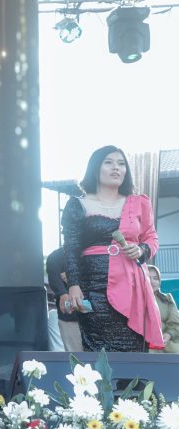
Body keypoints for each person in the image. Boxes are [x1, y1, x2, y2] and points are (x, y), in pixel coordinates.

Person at [62, 145, 163, 352]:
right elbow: (71, 247)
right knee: (98, 351)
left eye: (121, 163)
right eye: (108, 162)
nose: (116, 167)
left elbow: (151, 238)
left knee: (133, 349)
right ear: (95, 168)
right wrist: (74, 285)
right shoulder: (77, 204)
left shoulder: (139, 203)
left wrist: (142, 250)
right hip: (92, 286)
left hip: (132, 287)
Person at [46, 247, 82, 352]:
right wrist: (63, 293)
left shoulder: (99, 252)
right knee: (76, 356)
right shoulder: (55, 257)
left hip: (99, 317)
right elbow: (54, 279)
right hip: (71, 317)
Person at [147, 265, 179, 353]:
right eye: (148, 278)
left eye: (155, 278)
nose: (152, 282)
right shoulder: (134, 300)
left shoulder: (167, 299)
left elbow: (175, 323)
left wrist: (169, 334)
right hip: (145, 345)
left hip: (167, 342)